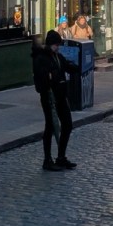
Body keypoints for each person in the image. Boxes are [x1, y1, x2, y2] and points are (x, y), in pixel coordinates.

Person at [32, 30, 79, 171]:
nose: (58, 47)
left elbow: (67, 67)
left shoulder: (57, 56)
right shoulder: (41, 58)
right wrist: (48, 82)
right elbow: (41, 79)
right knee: (50, 127)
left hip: (61, 96)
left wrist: (76, 66)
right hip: (49, 97)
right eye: (56, 44)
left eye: (58, 44)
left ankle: (61, 157)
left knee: (67, 125)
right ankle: (47, 160)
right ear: (50, 44)